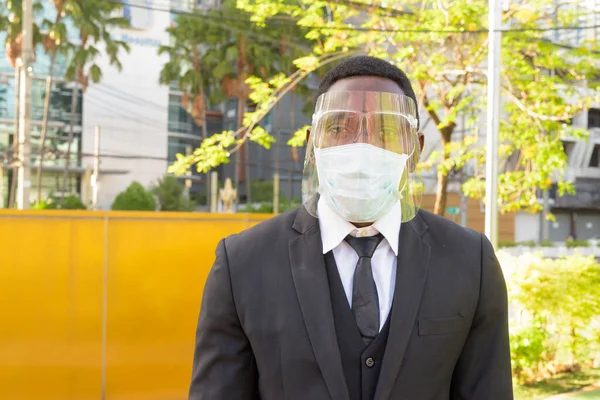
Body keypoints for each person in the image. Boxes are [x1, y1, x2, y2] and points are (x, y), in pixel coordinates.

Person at [189, 56, 513, 400]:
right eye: (338, 128)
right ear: (313, 146)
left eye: (386, 130)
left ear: (415, 149)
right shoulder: (242, 263)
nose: (362, 146)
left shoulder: (470, 261)